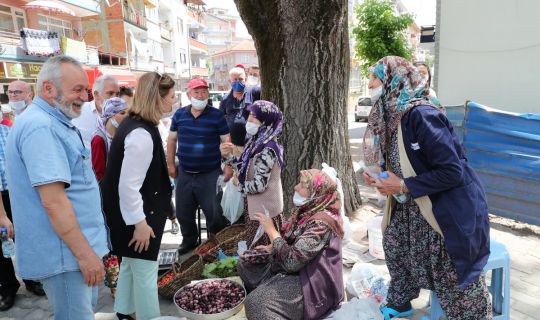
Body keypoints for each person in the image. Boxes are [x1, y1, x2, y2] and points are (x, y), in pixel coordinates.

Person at [362, 56, 491, 320]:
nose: (369, 83)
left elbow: (452, 171)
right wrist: (384, 182)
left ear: (392, 81)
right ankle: (400, 302)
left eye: (375, 77)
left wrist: (403, 184)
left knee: (451, 270)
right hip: (415, 204)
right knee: (394, 241)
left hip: (447, 206)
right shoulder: (391, 117)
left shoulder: (421, 115)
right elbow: (403, 165)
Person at [5, 55, 108, 319]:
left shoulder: (52, 121)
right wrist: (85, 256)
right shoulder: (42, 126)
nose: (85, 97)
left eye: (85, 90)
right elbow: (53, 202)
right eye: (78, 89)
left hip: (72, 254)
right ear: (48, 89)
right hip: (67, 258)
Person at [101, 72, 175, 320]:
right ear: (157, 98)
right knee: (144, 272)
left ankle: (124, 312)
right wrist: (140, 225)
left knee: (131, 266)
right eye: (172, 97)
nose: (173, 102)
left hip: (132, 213)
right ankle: (147, 316)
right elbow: (128, 186)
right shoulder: (141, 134)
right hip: (138, 216)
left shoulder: (135, 125)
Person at [238, 168, 344, 320]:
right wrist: (270, 247)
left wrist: (271, 230)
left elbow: (291, 262)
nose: (296, 187)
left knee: (255, 303)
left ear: (316, 194)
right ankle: (273, 296)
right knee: (247, 262)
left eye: (302, 186)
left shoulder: (322, 224)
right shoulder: (306, 210)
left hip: (312, 281)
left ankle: (271, 301)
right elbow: (293, 239)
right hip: (298, 267)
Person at [167, 78, 230, 255]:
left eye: (204, 92)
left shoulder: (216, 115)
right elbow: (171, 140)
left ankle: (215, 241)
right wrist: (170, 164)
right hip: (184, 172)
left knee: (214, 211)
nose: (201, 95)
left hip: (209, 173)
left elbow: (226, 140)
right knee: (183, 212)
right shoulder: (179, 115)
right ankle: (189, 240)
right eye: (197, 92)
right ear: (189, 95)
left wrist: (228, 165)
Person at [0, 93, 46, 313]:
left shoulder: (9, 131)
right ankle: (8, 286)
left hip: (17, 193)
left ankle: (31, 278)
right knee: (2, 242)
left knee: (25, 236)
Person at [220, 100, 284, 247]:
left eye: (254, 116)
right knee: (255, 250)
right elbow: (244, 167)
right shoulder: (256, 142)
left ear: (265, 121)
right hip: (256, 209)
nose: (249, 119)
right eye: (249, 114)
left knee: (261, 254)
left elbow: (258, 185)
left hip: (265, 212)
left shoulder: (268, 149)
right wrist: (227, 157)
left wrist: (239, 184)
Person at [73, 75, 120, 148]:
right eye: (110, 93)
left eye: (117, 94)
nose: (115, 98)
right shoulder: (79, 111)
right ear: (96, 95)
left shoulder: (121, 116)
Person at [219, 67, 261, 149]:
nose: (238, 82)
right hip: (233, 146)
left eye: (240, 79)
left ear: (245, 79)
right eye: (235, 79)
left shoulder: (255, 92)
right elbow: (221, 120)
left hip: (253, 145)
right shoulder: (225, 99)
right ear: (230, 81)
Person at [91, 97, 129, 182]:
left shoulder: (120, 135)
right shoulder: (99, 139)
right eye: (122, 113)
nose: (127, 117)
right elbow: (98, 174)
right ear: (111, 116)